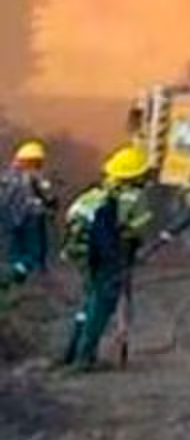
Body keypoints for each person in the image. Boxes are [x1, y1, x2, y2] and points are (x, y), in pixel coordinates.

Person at [61, 145, 162, 370]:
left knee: (89, 300)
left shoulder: (95, 192)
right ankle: (84, 358)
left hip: (80, 252)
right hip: (107, 256)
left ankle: (70, 351)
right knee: (102, 304)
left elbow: (71, 218)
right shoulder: (134, 197)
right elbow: (136, 229)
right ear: (136, 175)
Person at [3, 140, 57, 283]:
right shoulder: (36, 175)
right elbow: (48, 195)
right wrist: (52, 204)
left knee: (16, 248)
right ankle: (28, 273)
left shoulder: (6, 176)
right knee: (35, 249)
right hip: (32, 216)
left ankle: (15, 270)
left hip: (9, 217)